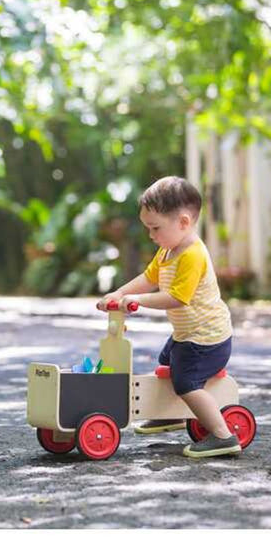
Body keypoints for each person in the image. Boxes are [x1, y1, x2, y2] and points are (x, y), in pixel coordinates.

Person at [97, 176, 240, 459]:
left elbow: (176, 297)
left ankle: (223, 436)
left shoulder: (192, 255)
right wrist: (119, 293)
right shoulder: (166, 251)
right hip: (187, 335)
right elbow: (149, 278)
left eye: (155, 228)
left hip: (207, 339)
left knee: (185, 382)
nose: (151, 235)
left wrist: (137, 301)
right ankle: (170, 414)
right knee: (165, 364)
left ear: (184, 222)